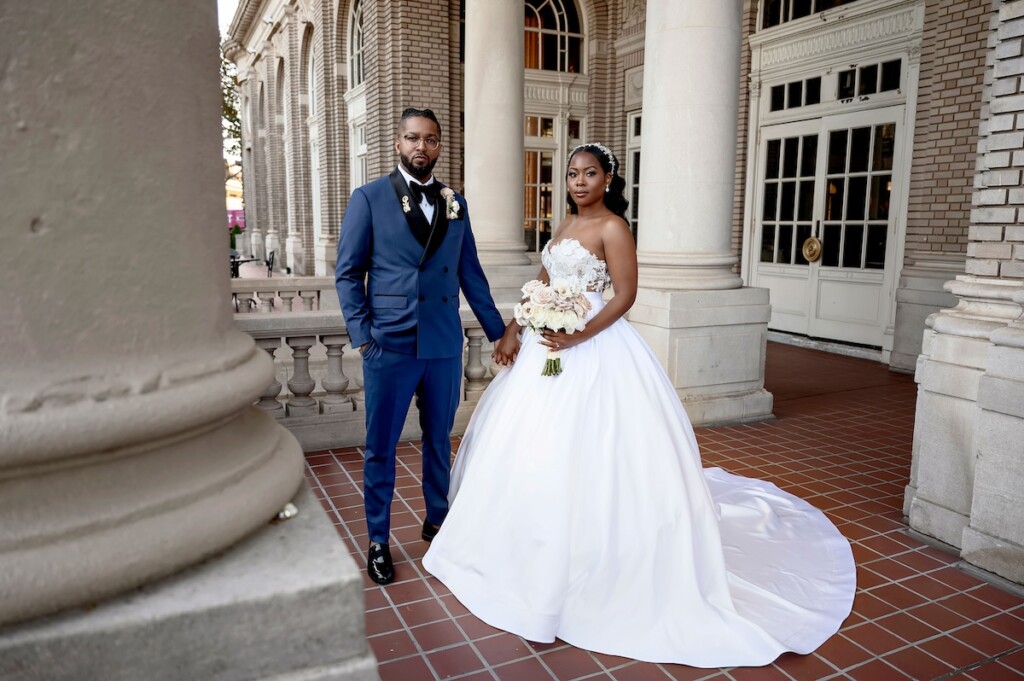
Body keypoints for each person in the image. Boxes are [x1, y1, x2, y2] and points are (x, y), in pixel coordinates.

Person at [423, 143, 856, 667]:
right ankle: (521, 550)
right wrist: (517, 327)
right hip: (547, 348)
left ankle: (592, 560)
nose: (579, 182)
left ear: (608, 179)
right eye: (572, 174)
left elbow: (625, 295)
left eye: (589, 174)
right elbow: (542, 281)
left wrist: (579, 335)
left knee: (598, 450)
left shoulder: (613, 228)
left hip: (594, 346)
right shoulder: (562, 225)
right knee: (535, 447)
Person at [335, 108, 507, 586]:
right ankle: (377, 539)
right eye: (412, 138)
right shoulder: (368, 199)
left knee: (438, 440)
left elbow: (470, 272)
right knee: (381, 447)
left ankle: (438, 522)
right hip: (388, 344)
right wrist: (363, 337)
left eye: (430, 140)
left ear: (439, 146)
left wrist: (499, 331)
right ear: (397, 143)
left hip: (442, 344)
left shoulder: (457, 203)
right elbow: (348, 273)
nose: (421, 147)